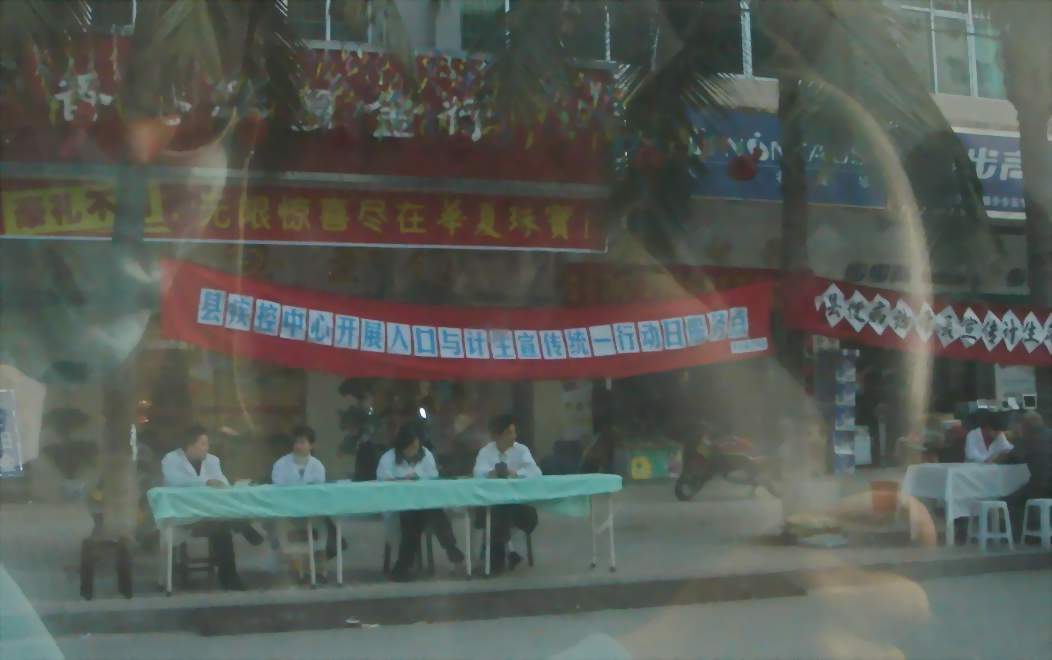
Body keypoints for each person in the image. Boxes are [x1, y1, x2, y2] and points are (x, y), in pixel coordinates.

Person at [161, 426, 262, 591]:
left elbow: (222, 482)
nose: (207, 448)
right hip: (184, 515)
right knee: (221, 524)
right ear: (190, 445)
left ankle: (230, 577)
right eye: (203, 444)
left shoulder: (212, 460)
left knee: (221, 527)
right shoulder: (171, 460)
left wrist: (223, 485)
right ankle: (241, 525)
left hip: (211, 514)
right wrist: (205, 482)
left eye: (207, 444)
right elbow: (174, 481)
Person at [376, 423, 465, 582]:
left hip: (424, 503)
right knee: (414, 517)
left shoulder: (426, 455)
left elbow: (433, 479)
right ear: (402, 446)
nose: (415, 451)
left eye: (416, 447)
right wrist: (402, 481)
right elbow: (382, 485)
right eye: (411, 447)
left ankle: (403, 566)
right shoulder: (388, 459)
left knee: (432, 511)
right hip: (398, 506)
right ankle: (449, 547)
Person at [473, 414, 542, 573]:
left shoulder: (521, 450)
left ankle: (496, 558)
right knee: (497, 512)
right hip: (491, 504)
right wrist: (491, 473)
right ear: (498, 435)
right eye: (509, 432)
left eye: (514, 432)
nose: (514, 436)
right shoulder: (485, 452)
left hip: (518, 504)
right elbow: (477, 474)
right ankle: (507, 553)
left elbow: (536, 472)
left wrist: (515, 473)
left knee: (501, 514)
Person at [270, 426, 334, 582]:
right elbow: (277, 488)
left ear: (311, 445)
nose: (299, 446)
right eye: (296, 442)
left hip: (312, 511)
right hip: (288, 512)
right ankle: (296, 569)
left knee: (323, 526)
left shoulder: (317, 466)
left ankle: (320, 570)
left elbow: (319, 491)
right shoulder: (281, 464)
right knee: (283, 527)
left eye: (303, 442)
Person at [1004, 412, 1052, 537]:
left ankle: (1024, 535)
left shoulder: (1029, 440)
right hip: (1047, 485)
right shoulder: (1048, 434)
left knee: (1008, 501)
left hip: (1041, 486)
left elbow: (1011, 458)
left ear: (1025, 427)